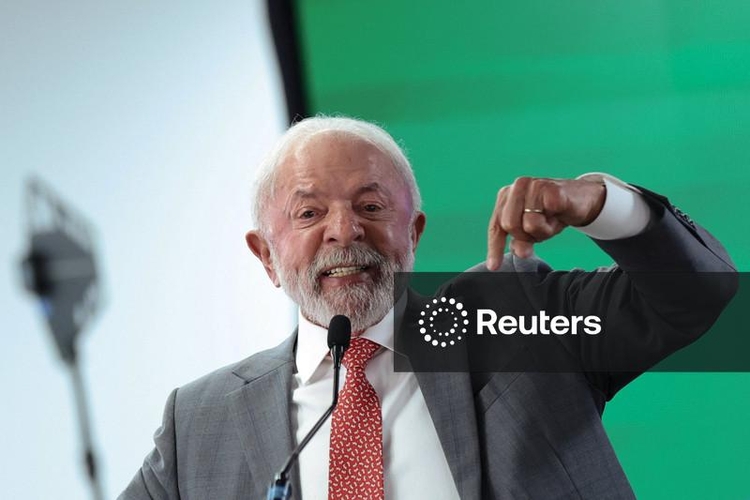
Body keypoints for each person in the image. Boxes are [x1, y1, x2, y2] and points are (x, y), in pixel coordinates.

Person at [119, 116, 735, 499]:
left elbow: (697, 296)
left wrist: (601, 204)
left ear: (413, 234)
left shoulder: (513, 318)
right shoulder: (201, 422)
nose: (344, 231)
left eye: (371, 207)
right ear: (265, 256)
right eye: (309, 213)